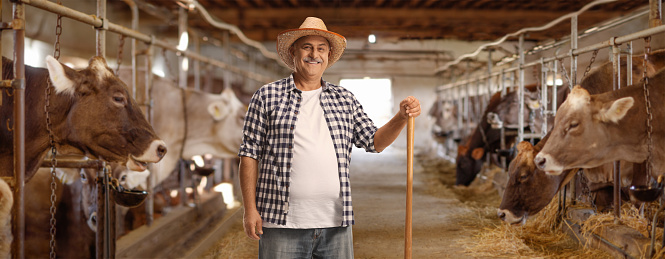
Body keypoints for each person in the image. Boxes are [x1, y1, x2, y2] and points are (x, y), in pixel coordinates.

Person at [238, 17, 421, 258]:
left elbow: (374, 142)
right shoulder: (267, 96)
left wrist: (400, 117)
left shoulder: (344, 99)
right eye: (307, 47)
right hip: (281, 224)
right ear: (293, 51)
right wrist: (249, 209)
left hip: (336, 223)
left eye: (321, 48)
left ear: (328, 55)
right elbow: (249, 154)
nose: (314, 54)